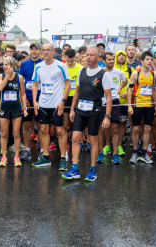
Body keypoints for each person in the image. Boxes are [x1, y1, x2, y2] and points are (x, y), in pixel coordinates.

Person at [62, 46, 111, 181]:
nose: (88, 57)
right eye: (87, 55)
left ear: (98, 58)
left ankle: (93, 169)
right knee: (75, 138)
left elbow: (108, 98)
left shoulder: (103, 74)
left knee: (93, 140)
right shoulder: (81, 71)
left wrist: (107, 116)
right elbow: (76, 92)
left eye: (91, 55)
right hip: (80, 110)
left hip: (95, 111)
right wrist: (72, 109)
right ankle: (75, 168)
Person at [32, 43, 71, 170]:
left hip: (57, 104)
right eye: (44, 50)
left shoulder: (61, 66)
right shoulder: (38, 66)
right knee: (43, 130)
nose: (46, 52)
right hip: (43, 104)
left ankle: (63, 158)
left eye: (49, 50)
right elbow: (35, 85)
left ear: (53, 51)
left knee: (60, 131)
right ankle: (46, 157)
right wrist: (34, 101)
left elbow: (68, 85)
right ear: (41, 52)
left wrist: (63, 101)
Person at [97, 52, 127, 164]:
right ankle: (101, 152)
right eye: (109, 59)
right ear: (103, 61)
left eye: (112, 59)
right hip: (102, 102)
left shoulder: (118, 72)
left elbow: (125, 81)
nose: (111, 61)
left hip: (114, 102)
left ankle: (115, 154)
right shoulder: (100, 72)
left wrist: (119, 89)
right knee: (101, 129)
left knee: (115, 129)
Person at [0, 57, 28, 167]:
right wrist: (6, 77)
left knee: (16, 133)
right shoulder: (0, 76)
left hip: (16, 108)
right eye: (4, 64)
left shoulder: (19, 77)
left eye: (7, 65)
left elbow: (23, 93)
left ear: (13, 66)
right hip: (4, 108)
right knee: (4, 133)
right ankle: (4, 156)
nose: (5, 66)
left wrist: (25, 108)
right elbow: (0, 88)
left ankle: (16, 156)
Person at [127, 51, 156, 164]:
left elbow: (154, 89)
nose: (150, 61)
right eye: (147, 59)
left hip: (149, 104)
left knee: (148, 128)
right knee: (135, 128)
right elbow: (129, 89)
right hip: (137, 104)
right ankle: (135, 152)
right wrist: (130, 105)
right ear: (142, 61)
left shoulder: (154, 73)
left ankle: (144, 152)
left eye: (151, 59)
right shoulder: (135, 73)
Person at [19, 43, 43, 161]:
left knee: (41, 125)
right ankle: (27, 149)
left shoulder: (43, 63)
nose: (34, 51)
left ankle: (43, 150)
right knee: (27, 124)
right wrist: (23, 99)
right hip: (27, 98)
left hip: (41, 98)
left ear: (40, 51)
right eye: (32, 49)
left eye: (36, 49)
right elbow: (20, 80)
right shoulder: (24, 63)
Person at [64, 48, 83, 160]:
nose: (70, 63)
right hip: (65, 97)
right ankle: (66, 150)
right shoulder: (62, 67)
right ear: (65, 57)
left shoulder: (80, 68)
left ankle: (75, 152)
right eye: (68, 61)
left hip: (77, 98)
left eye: (72, 61)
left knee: (76, 127)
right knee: (65, 125)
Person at [115, 50, 135, 156]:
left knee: (122, 123)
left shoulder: (130, 69)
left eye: (123, 55)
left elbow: (133, 83)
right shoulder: (111, 69)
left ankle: (119, 145)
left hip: (124, 101)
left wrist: (127, 92)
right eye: (119, 55)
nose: (122, 57)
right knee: (112, 124)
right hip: (113, 101)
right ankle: (110, 146)